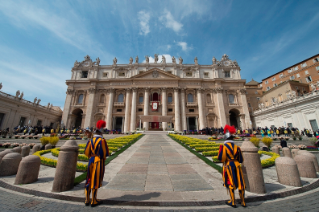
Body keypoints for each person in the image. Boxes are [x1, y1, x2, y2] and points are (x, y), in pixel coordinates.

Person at [217, 125, 246, 208]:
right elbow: (241, 159)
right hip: (237, 165)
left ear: (225, 139)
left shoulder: (224, 147)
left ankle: (233, 201)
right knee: (241, 182)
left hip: (229, 165)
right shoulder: (237, 147)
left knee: (230, 182)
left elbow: (221, 158)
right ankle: (243, 201)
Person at [84, 120, 109, 207]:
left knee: (89, 179)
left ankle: (87, 199)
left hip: (91, 160)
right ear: (101, 132)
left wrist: (92, 156)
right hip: (98, 161)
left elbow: (86, 152)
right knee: (96, 179)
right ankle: (94, 200)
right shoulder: (102, 141)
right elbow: (104, 153)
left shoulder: (90, 141)